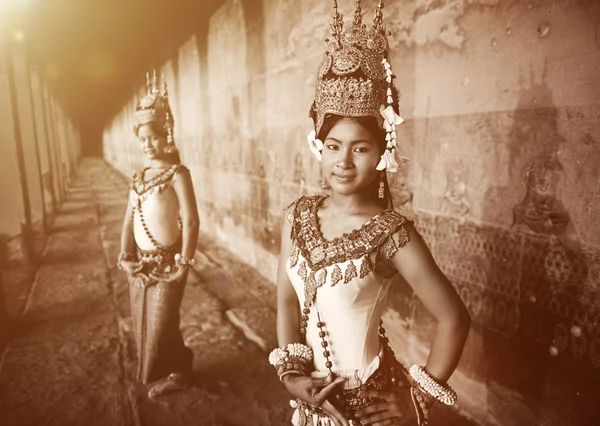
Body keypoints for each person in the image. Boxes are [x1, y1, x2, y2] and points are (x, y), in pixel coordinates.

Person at [269, 1, 471, 425]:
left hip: (371, 408)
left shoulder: (391, 233)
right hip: (310, 402)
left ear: (383, 151)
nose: (343, 161)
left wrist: (418, 399)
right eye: (333, 146)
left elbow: (453, 317)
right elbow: (287, 299)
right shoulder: (296, 216)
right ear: (318, 148)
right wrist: (291, 372)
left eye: (360, 147)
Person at [117, 71, 200, 399]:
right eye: (142, 139)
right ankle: (176, 366)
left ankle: (181, 370)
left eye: (152, 137)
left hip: (170, 262)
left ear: (166, 135)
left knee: (163, 322)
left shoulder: (177, 174)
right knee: (145, 322)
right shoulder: (137, 179)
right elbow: (128, 221)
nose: (147, 144)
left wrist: (185, 261)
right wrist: (125, 257)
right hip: (140, 265)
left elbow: (191, 221)